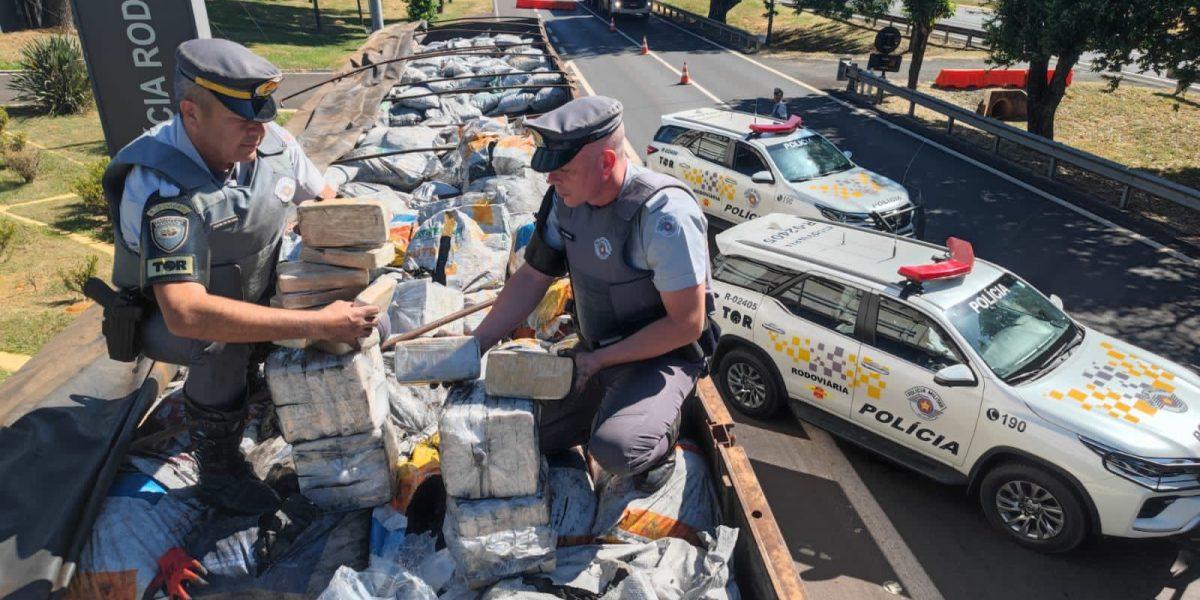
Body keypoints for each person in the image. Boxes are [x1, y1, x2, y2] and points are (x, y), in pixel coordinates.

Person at [100, 39, 380, 515]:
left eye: (263, 118)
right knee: (219, 347)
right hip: (173, 318)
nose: (258, 131)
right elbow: (187, 313)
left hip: (255, 289)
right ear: (191, 113)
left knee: (337, 298)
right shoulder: (160, 184)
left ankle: (260, 389)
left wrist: (361, 257)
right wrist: (316, 324)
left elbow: (328, 204)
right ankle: (219, 469)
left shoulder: (275, 145)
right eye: (242, 120)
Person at [471, 96, 718, 490]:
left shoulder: (663, 216)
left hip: (661, 358)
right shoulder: (565, 200)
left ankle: (667, 429)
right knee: (519, 431)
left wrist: (600, 359)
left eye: (563, 169)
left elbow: (687, 325)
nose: (550, 179)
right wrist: (476, 344)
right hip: (594, 353)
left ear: (606, 162)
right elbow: (533, 276)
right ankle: (606, 413)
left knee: (619, 451)